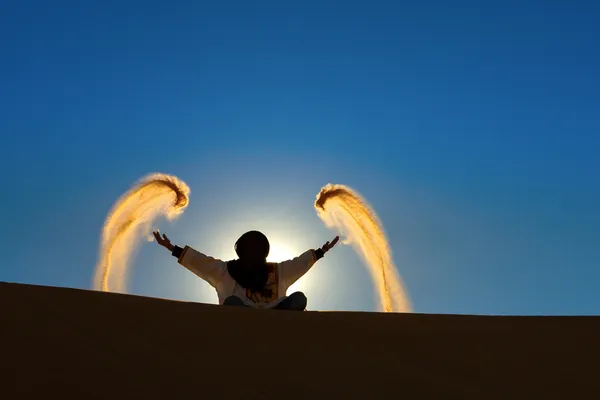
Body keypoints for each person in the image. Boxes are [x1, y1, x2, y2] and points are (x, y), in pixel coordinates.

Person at [153, 230, 339, 310]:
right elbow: (200, 262)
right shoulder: (225, 270)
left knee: (300, 298)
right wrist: (172, 248)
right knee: (232, 303)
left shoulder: (277, 270)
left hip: (275, 312)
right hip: (240, 314)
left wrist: (321, 251)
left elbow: (299, 263)